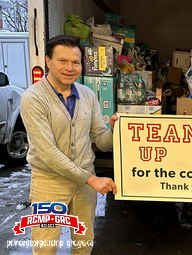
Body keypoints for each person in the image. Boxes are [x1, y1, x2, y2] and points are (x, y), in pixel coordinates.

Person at [20, 35, 118, 254]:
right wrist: (92, 179)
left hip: (83, 183)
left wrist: (113, 129)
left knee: (84, 244)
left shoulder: (88, 95)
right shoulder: (33, 98)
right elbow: (47, 153)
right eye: (62, 61)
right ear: (48, 61)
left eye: (75, 62)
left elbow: (100, 141)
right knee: (45, 247)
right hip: (50, 183)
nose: (70, 68)